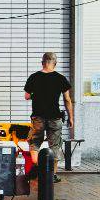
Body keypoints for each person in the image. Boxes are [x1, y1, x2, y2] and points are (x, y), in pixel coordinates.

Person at [24, 52, 73, 183]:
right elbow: (67, 100)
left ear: (42, 62)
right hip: (55, 117)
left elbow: (27, 96)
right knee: (54, 146)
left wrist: (36, 94)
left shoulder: (34, 77)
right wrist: (71, 118)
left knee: (34, 143)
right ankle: (52, 175)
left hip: (38, 117)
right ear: (55, 64)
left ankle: (38, 167)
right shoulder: (61, 78)